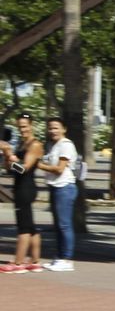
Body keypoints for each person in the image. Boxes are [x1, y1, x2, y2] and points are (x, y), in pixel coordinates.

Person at [0, 113, 43, 273]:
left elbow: (24, 168)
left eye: (24, 126)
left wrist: (10, 154)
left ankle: (18, 264)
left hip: (26, 187)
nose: (22, 129)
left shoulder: (34, 145)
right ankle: (35, 261)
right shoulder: (22, 145)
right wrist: (7, 155)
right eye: (19, 126)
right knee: (31, 226)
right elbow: (9, 168)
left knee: (23, 227)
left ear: (31, 125)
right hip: (20, 186)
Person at [36, 117, 79, 272]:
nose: (52, 131)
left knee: (64, 224)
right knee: (58, 225)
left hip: (65, 187)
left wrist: (39, 165)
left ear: (64, 129)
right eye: (50, 128)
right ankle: (59, 257)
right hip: (54, 187)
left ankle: (67, 259)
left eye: (55, 128)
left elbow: (60, 169)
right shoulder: (52, 145)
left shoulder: (66, 145)